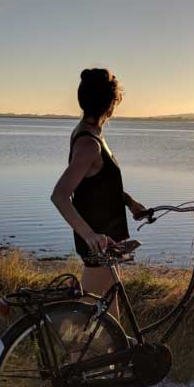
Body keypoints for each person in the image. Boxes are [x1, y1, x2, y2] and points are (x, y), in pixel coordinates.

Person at [50, 68, 147, 306]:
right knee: (87, 323)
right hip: (100, 248)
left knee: (109, 322)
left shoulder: (90, 133)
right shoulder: (89, 143)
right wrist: (89, 235)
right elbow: (59, 195)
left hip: (108, 244)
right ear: (110, 105)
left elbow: (95, 183)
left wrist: (128, 201)